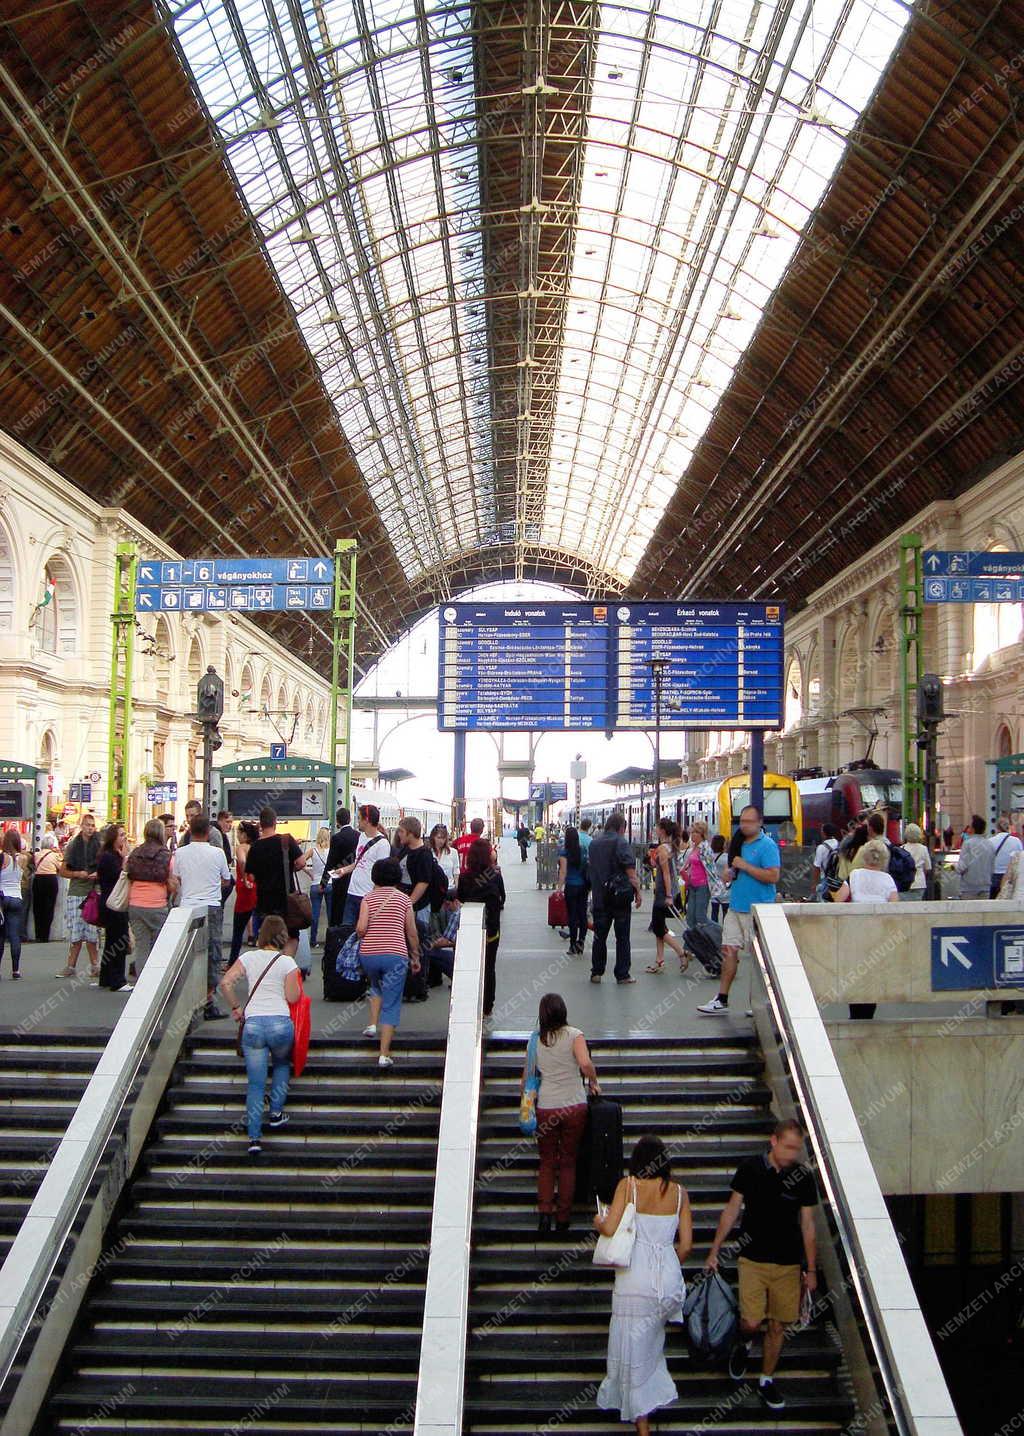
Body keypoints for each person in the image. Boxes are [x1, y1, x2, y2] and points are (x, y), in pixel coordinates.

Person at [706, 1118, 817, 1412]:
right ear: (774, 1141)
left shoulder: (803, 1178)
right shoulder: (751, 1169)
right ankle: (744, 1344)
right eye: (789, 1147)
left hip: (788, 1262)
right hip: (753, 1257)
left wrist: (812, 1269)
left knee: (778, 1325)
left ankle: (766, 1379)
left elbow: (808, 1224)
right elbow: (732, 1209)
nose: (792, 1154)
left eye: (797, 1148)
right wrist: (714, 1249)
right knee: (751, 1320)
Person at [596, 1135, 691, 1435]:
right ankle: (644, 1412)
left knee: (631, 1348)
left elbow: (610, 1227)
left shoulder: (629, 1186)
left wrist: (598, 1222)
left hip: (633, 1279)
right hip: (666, 1282)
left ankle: (642, 1424)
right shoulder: (680, 1194)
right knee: (650, 1348)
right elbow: (686, 1245)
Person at [220, 915, 301, 1156]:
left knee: (255, 1084)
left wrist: (236, 1007)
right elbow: (293, 997)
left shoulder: (247, 958)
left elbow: (225, 983)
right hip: (279, 1023)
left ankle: (254, 1138)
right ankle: (276, 1112)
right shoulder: (287, 962)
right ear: (283, 936)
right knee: (281, 1065)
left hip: (253, 1024)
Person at [526, 993, 599, 1235]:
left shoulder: (538, 1040)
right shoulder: (574, 1035)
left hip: (547, 1106)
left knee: (547, 1161)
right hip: (574, 1105)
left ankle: (544, 1214)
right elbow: (585, 1064)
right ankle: (564, 1217)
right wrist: (594, 1082)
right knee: (568, 1162)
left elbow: (528, 1076)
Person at [698, 805, 779, 1015]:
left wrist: (746, 867)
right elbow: (734, 869)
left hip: (758, 909)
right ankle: (722, 998)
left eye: (749, 822)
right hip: (736, 907)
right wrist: (730, 873)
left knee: (758, 957)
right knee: (729, 951)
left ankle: (761, 1002)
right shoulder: (738, 843)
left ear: (760, 822)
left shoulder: (767, 846)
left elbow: (773, 876)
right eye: (742, 821)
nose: (744, 825)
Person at [356, 857, 421, 1066]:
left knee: (375, 986)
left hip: (369, 956)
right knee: (392, 1003)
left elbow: (361, 929)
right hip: (395, 955)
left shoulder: (367, 899)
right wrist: (416, 955)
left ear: (375, 876)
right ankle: (384, 1054)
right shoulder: (404, 900)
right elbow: (411, 932)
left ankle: (372, 1024)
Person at [172, 814, 232, 1018]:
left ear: (189, 831)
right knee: (213, 953)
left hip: (188, 907)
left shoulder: (179, 853)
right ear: (208, 832)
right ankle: (208, 1001)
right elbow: (226, 879)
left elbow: (177, 877)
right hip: (211, 905)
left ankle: (188, 997)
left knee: (190, 953)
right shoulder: (217, 853)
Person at [587, 813, 642, 985]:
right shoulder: (621, 842)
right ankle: (622, 974)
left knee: (599, 936)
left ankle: (596, 972)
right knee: (622, 937)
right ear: (621, 827)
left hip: (600, 897)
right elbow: (630, 871)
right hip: (619, 898)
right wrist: (638, 892)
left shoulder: (594, 843)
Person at [245, 806, 308, 954]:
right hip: (286, 901)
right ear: (275, 822)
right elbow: (301, 863)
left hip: (264, 902)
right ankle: (285, 966)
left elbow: (251, 876)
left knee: (268, 939)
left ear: (261, 824)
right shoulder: (286, 840)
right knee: (291, 937)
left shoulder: (255, 847)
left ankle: (270, 968)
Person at [457, 837, 506, 1019]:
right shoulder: (495, 875)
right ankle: (487, 1007)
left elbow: (461, 897)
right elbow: (503, 897)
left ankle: (470, 1001)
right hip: (491, 930)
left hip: (471, 929)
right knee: (489, 967)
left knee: (470, 966)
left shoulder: (464, 877)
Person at [126, 818, 178, 970]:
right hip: (157, 905)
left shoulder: (135, 853)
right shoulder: (166, 856)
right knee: (158, 948)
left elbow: (127, 874)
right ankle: (155, 984)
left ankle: (141, 984)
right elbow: (173, 883)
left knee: (142, 947)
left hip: (135, 905)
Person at [57, 812, 100, 980]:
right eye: (87, 825)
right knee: (75, 931)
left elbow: (104, 866)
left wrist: (97, 873)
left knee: (91, 932)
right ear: (82, 826)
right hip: (76, 891)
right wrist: (77, 873)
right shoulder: (73, 846)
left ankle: (95, 966)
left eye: (92, 825)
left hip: (93, 892)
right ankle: (71, 966)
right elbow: (63, 871)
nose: (90, 828)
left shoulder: (99, 845)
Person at [332, 804, 390, 928]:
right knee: (347, 932)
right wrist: (343, 870)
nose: (357, 821)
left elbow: (382, 875)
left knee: (364, 932)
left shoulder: (383, 844)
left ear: (367, 820)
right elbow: (358, 862)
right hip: (352, 892)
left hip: (367, 895)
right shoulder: (362, 837)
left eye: (359, 818)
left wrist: (374, 898)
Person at [645, 819, 688, 975]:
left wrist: (669, 895)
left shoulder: (663, 848)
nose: (655, 830)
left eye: (657, 827)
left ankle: (681, 953)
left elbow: (666, 874)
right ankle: (659, 960)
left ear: (662, 830)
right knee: (659, 926)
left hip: (664, 892)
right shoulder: (672, 847)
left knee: (658, 927)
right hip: (667, 890)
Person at [97, 823, 132, 992]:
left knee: (111, 940)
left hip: (110, 901)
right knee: (119, 939)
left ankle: (106, 977)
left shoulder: (110, 855)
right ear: (113, 838)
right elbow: (121, 877)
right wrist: (126, 859)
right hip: (114, 902)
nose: (124, 838)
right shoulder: (110, 857)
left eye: (125, 835)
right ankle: (117, 979)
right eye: (121, 835)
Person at [396, 816, 435, 940]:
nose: (398, 834)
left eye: (401, 831)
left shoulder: (424, 854)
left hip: (419, 906)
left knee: (419, 935)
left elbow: (423, 882)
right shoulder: (405, 850)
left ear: (411, 833)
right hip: (404, 900)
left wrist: (409, 902)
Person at [229, 820, 260, 961]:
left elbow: (241, 861)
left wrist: (245, 877)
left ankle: (232, 961)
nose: (237, 835)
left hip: (244, 889)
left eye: (239, 832)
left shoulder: (241, 848)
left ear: (244, 835)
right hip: (256, 888)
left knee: (238, 929)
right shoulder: (256, 847)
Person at [556, 826, 589, 956]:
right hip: (583, 886)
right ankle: (581, 942)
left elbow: (563, 871)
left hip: (571, 886)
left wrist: (559, 889)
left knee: (572, 916)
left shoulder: (565, 852)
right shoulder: (583, 850)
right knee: (582, 915)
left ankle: (572, 946)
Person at [834, 840, 898, 905]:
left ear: (864, 856)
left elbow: (838, 900)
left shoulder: (855, 874)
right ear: (884, 858)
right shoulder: (888, 879)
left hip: (858, 913)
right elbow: (894, 906)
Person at [324, 807, 359, 925]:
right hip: (355, 879)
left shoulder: (336, 838)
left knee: (338, 910)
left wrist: (324, 881)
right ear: (349, 819)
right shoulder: (359, 836)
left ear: (337, 821)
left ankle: (337, 933)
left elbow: (331, 861)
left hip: (339, 879)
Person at [0, 829, 28, 979]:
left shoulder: (2, 858)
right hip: (17, 898)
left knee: (1, 935)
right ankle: (15, 970)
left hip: (3, 898)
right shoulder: (23, 858)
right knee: (14, 936)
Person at [681, 819, 716, 932]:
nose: (692, 835)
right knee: (690, 917)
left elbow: (711, 867)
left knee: (700, 916)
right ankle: (693, 942)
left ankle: (719, 931)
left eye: (695, 832)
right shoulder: (693, 848)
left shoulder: (705, 848)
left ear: (701, 834)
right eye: (692, 832)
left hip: (703, 886)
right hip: (692, 885)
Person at [31, 832, 61, 943]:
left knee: (37, 908)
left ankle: (38, 934)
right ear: (52, 845)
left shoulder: (36, 855)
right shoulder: (54, 856)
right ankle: (45, 935)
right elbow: (60, 867)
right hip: (50, 880)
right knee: (49, 907)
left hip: (38, 880)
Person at [957, 814, 994, 899]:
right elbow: (992, 866)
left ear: (972, 829)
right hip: (985, 886)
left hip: (968, 888)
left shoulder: (968, 844)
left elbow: (962, 866)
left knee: (968, 911)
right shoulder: (989, 844)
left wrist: (954, 868)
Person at [307, 826, 331, 945]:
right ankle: (331, 939)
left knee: (315, 914)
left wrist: (309, 873)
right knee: (330, 914)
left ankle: (313, 940)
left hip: (316, 884)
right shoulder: (331, 850)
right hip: (329, 883)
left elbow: (300, 862)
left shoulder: (312, 850)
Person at [989, 817, 1023, 899]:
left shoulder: (990, 841)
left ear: (997, 828)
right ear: (1008, 827)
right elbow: (1019, 858)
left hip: (994, 875)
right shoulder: (1016, 841)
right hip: (1010, 877)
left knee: (993, 901)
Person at [900, 822, 931, 901]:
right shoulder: (923, 848)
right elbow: (928, 867)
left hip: (905, 882)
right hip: (920, 882)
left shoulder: (901, 848)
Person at [429, 824, 461, 897]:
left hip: (450, 890)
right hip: (434, 891)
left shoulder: (453, 852)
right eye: (439, 838)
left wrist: (456, 889)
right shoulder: (429, 853)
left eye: (443, 838)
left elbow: (456, 872)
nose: (441, 841)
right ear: (433, 837)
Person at [812, 822, 841, 899]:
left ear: (824, 833)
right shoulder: (839, 844)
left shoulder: (821, 847)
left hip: (826, 880)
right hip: (839, 880)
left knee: (824, 902)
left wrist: (814, 883)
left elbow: (816, 867)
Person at [710, 833, 730, 923]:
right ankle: (725, 933)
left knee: (714, 912)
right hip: (725, 889)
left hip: (714, 888)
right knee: (726, 913)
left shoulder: (709, 857)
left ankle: (713, 933)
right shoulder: (727, 857)